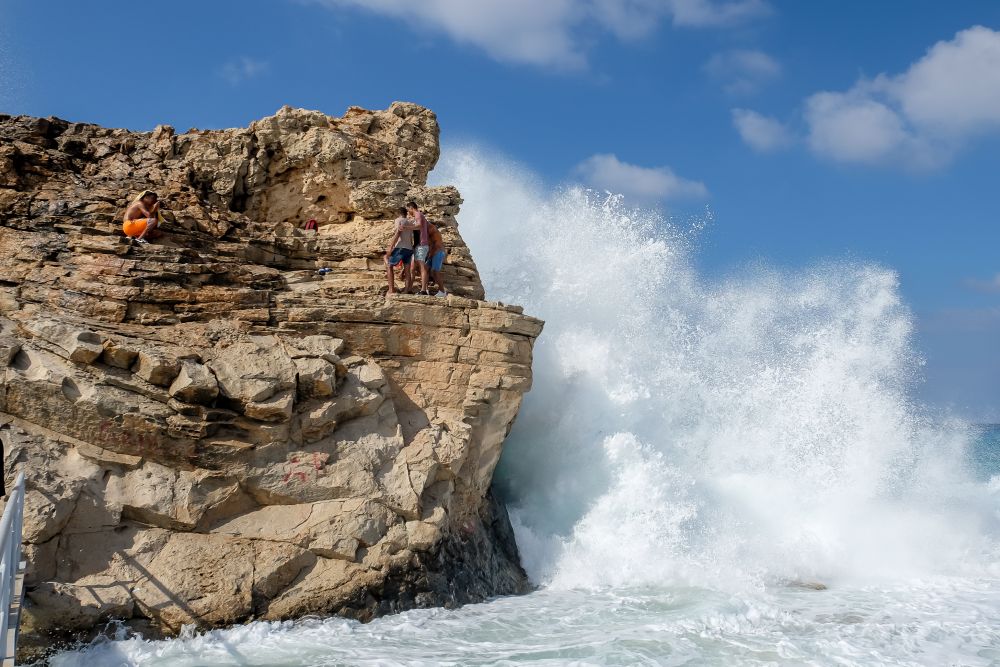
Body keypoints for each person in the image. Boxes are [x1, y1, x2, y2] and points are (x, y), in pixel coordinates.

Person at [385, 207, 419, 295]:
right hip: (409, 248)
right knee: (407, 270)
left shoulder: (399, 220)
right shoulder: (410, 222)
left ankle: (391, 289)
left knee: (388, 264)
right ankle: (406, 290)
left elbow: (398, 233)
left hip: (401, 247)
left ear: (398, 213)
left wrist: (391, 246)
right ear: (406, 213)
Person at [406, 201, 431, 294]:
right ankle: (409, 289)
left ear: (411, 208)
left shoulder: (418, 214)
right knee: (412, 268)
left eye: (408, 210)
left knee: (422, 267)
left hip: (422, 244)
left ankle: (424, 290)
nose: (408, 212)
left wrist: (407, 227)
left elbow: (419, 225)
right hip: (417, 245)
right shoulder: (417, 216)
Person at [425, 221, 448, 297]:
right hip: (433, 253)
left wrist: (429, 255)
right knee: (425, 269)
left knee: (435, 271)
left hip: (438, 252)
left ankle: (442, 291)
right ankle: (425, 289)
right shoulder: (429, 234)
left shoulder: (434, 232)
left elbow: (435, 245)